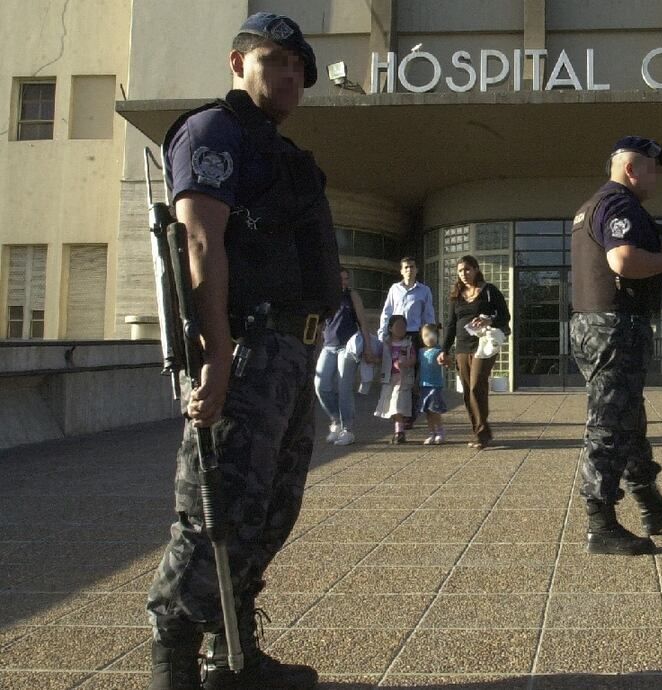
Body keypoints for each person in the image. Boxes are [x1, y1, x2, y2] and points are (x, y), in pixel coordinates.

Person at [146, 12, 337, 690]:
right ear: (238, 65)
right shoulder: (214, 133)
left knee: (268, 510)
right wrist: (218, 356)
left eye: (298, 67)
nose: (291, 74)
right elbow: (199, 245)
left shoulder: (275, 151)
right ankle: (173, 660)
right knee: (217, 511)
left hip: (287, 352)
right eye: (275, 60)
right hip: (247, 346)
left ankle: (233, 657)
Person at [569, 136, 662, 557]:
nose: (657, 176)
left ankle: (649, 502)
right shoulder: (619, 204)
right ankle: (600, 523)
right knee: (608, 424)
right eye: (653, 167)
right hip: (613, 327)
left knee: (628, 417)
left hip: (597, 325)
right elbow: (622, 260)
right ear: (631, 169)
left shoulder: (592, 205)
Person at [437, 255, 510, 449]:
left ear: (476, 269)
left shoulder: (489, 291)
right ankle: (479, 431)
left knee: (477, 386)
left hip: (483, 345)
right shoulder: (457, 295)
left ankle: (482, 433)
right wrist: (444, 350)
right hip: (462, 347)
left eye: (467, 269)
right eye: (460, 271)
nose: (464, 274)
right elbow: (452, 324)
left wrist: (489, 320)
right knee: (468, 392)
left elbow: (505, 316)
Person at [315, 267, 376, 445]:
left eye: (346, 279)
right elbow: (319, 324)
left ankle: (347, 429)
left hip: (347, 349)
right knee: (321, 386)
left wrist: (368, 348)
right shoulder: (326, 298)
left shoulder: (352, 296)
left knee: (344, 388)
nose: (344, 282)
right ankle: (336, 420)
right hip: (328, 347)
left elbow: (363, 323)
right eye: (340, 278)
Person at [379, 256, 436, 426]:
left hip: (414, 335)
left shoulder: (424, 291)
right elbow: (387, 312)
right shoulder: (394, 289)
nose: (409, 270)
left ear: (416, 269)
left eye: (412, 266)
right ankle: (397, 412)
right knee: (396, 376)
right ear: (401, 270)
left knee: (411, 376)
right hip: (396, 335)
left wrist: (430, 339)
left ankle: (409, 415)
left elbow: (428, 315)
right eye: (406, 267)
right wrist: (384, 334)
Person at [375, 314, 416, 443]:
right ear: (390, 328)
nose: (401, 329)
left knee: (398, 403)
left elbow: (413, 359)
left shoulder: (408, 343)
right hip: (388, 378)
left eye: (403, 327)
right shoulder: (385, 343)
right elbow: (380, 358)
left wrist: (405, 364)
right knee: (390, 405)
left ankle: (399, 432)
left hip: (403, 379)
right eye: (398, 326)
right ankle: (398, 429)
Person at [418, 323, 448, 444]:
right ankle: (431, 433)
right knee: (428, 412)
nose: (429, 338)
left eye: (432, 335)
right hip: (424, 385)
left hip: (435, 385)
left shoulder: (439, 351)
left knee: (435, 410)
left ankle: (440, 432)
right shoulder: (421, 352)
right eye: (425, 335)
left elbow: (446, 363)